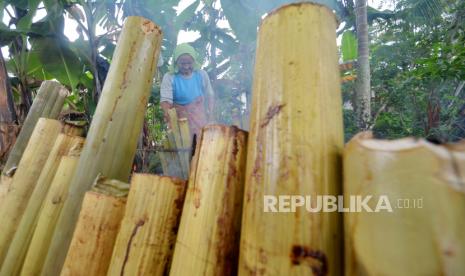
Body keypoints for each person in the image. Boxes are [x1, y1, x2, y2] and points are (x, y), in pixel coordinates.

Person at [160, 43, 215, 139]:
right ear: (176, 62)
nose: (186, 66)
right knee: (182, 145)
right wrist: (169, 116)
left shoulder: (202, 75)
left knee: (200, 142)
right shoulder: (169, 77)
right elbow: (166, 101)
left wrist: (211, 116)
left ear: (194, 61)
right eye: (182, 63)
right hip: (179, 118)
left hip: (199, 117)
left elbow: (209, 95)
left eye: (189, 63)